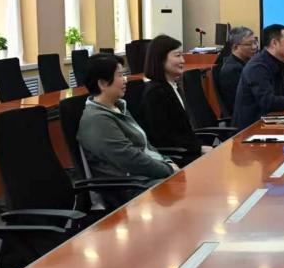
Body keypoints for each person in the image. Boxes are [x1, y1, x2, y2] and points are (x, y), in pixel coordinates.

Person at [77, 53, 177, 191]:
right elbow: (130, 160)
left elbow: (146, 146)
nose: (125, 80)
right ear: (102, 84)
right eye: (120, 75)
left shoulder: (118, 106)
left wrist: (167, 162)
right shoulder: (96, 120)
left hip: (149, 177)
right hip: (133, 187)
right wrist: (168, 169)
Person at [141, 34, 209, 165]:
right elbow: (163, 138)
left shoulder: (172, 86)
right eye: (178, 56)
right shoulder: (155, 93)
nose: (183, 60)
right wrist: (198, 148)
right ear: (161, 59)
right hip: (176, 158)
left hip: (188, 150)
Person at [215, 26, 256, 114]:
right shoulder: (232, 70)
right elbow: (245, 102)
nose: (254, 47)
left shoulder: (245, 64)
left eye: (255, 42)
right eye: (249, 44)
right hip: (243, 117)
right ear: (235, 47)